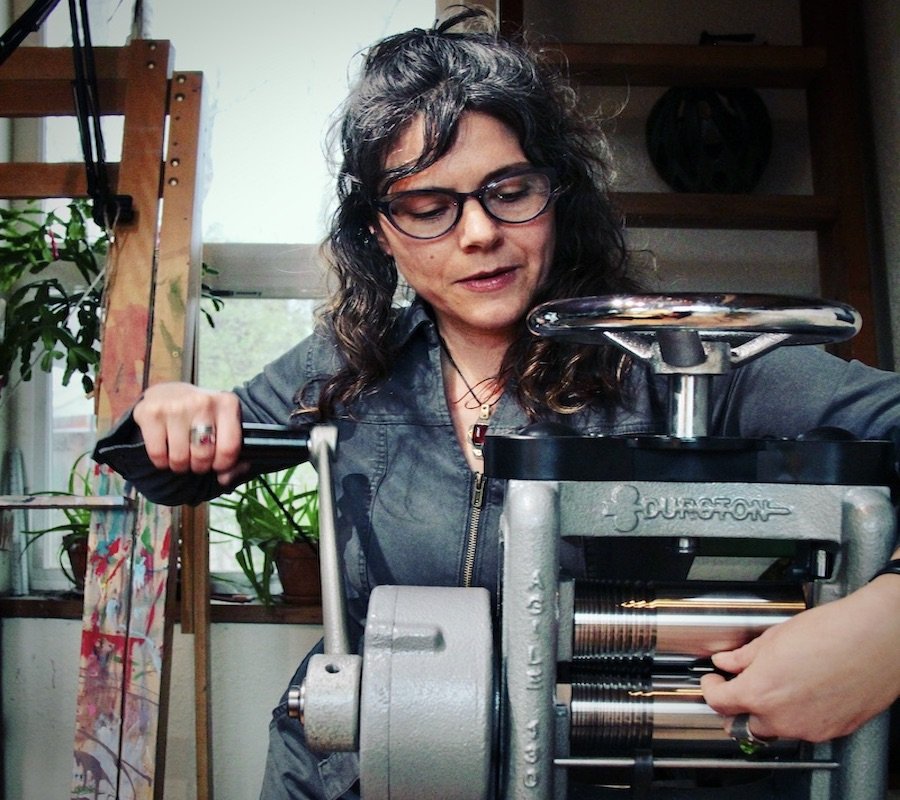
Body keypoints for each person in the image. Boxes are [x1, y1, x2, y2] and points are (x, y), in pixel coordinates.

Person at [93, 7, 900, 799]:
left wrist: (886, 631)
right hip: (362, 773)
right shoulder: (354, 364)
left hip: (593, 769)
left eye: (508, 190)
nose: (478, 232)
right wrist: (169, 412)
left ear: (558, 192)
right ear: (379, 230)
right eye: (428, 207)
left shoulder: (683, 362)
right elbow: (162, 464)